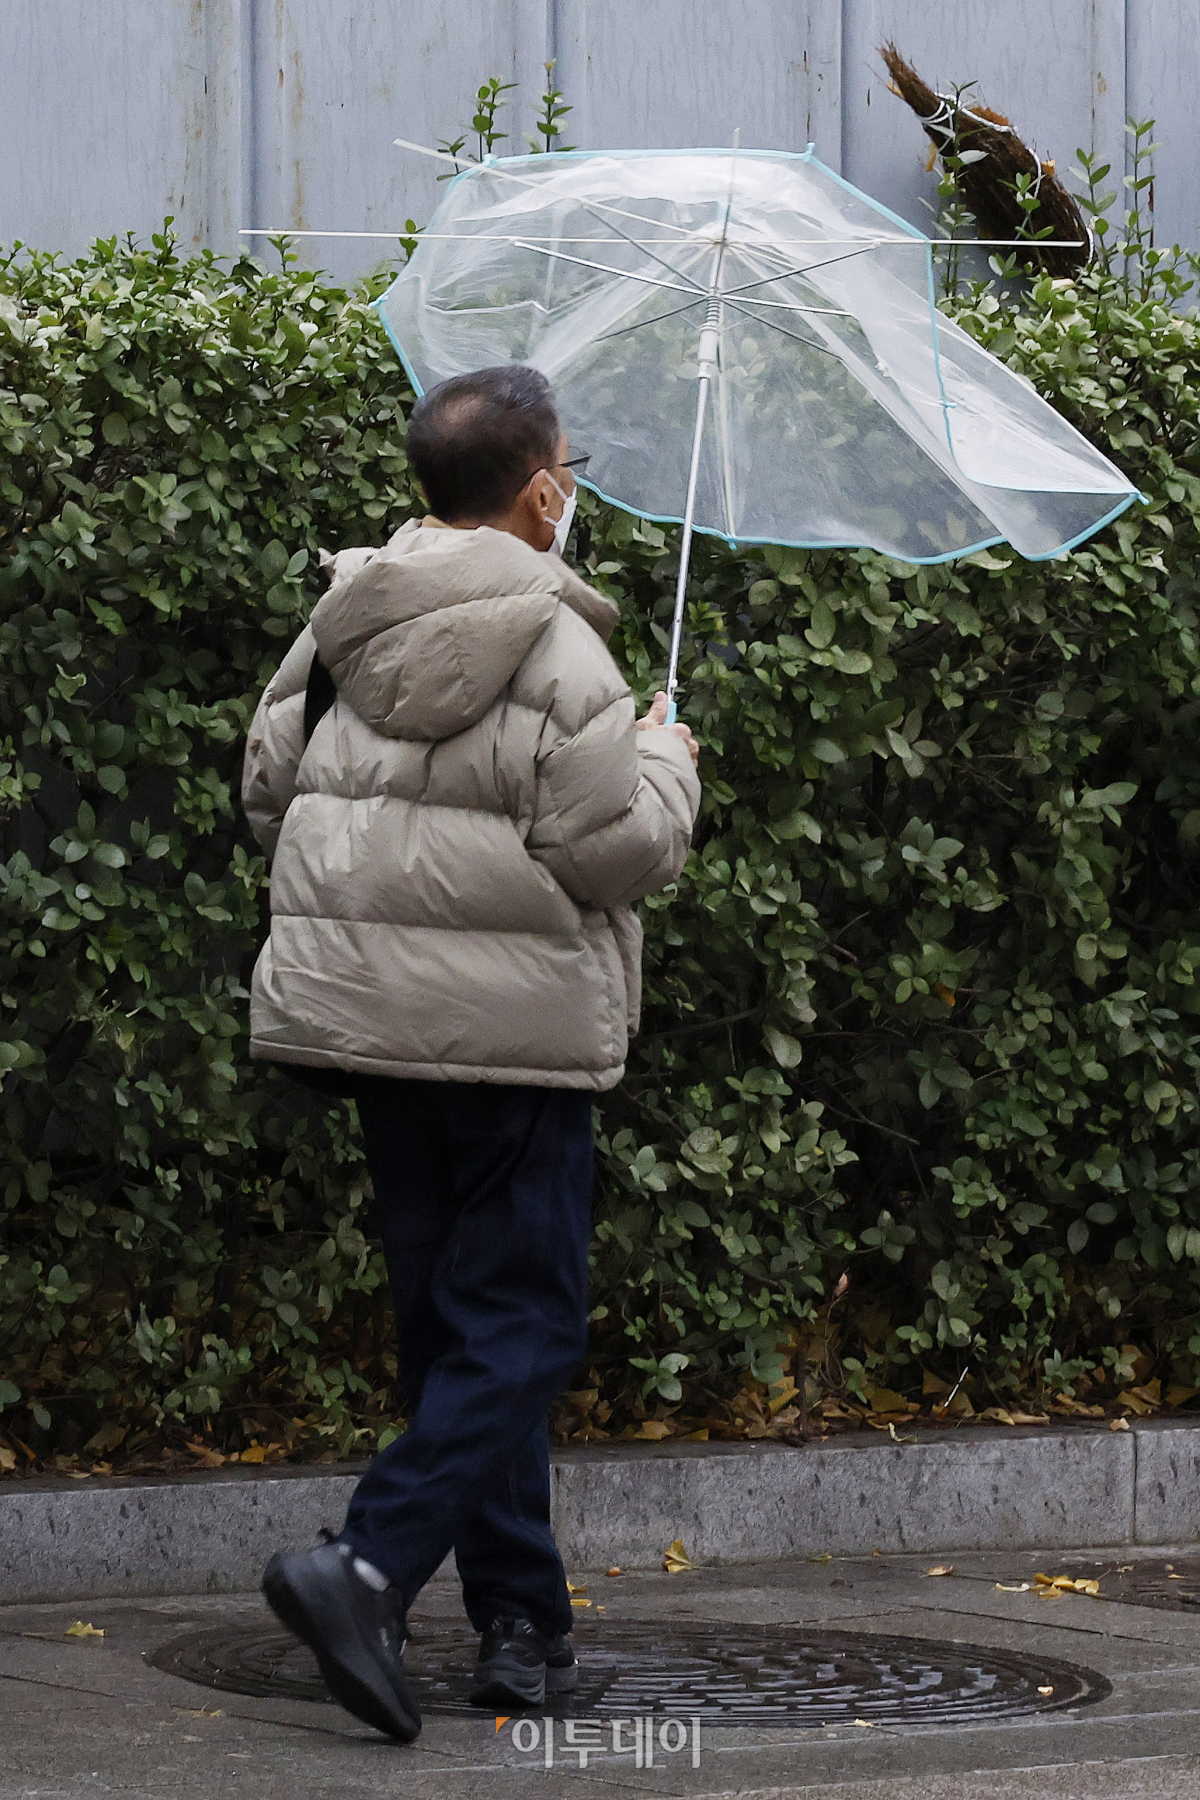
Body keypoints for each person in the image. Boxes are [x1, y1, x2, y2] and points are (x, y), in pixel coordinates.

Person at [240, 364, 701, 1742]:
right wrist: (669, 763)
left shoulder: (340, 619)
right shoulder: (566, 652)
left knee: (460, 1328)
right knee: (528, 1326)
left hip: (367, 1026)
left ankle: (521, 1630)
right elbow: (610, 851)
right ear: (543, 490)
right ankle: (366, 1567)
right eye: (572, 466)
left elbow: (269, 789)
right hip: (514, 1044)